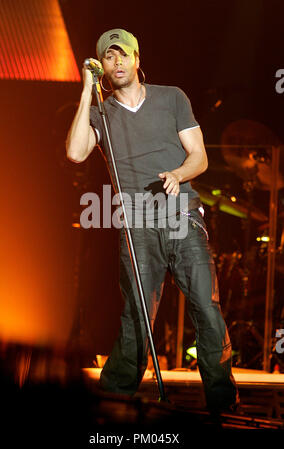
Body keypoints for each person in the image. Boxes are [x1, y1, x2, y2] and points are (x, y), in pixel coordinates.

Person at [66, 28, 239, 414]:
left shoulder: (171, 97)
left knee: (207, 309)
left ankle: (223, 403)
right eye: (109, 58)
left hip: (181, 216)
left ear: (137, 58)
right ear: (103, 68)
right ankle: (116, 396)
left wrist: (179, 173)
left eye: (123, 55)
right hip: (137, 223)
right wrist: (84, 91)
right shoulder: (100, 111)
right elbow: (77, 153)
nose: (117, 63)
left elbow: (199, 156)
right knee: (137, 313)